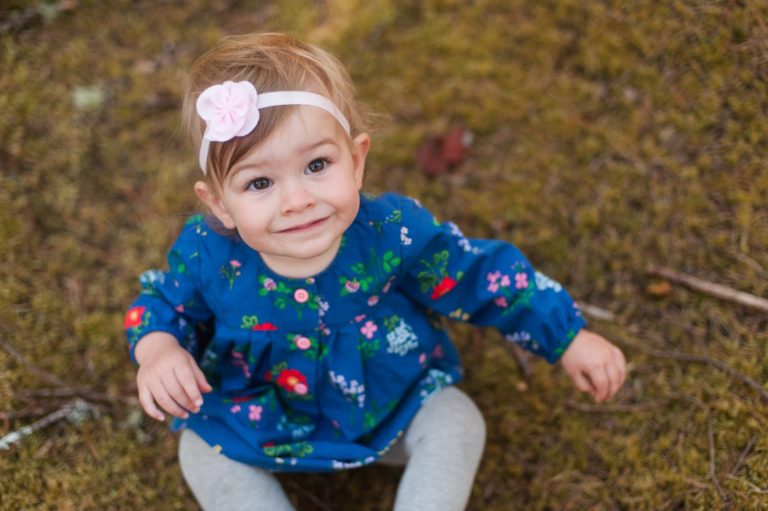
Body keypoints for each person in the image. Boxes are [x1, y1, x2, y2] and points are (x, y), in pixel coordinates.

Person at [124, 32, 627, 510]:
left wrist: (566, 336)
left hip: (390, 402)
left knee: (458, 422)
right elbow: (163, 306)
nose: (297, 200)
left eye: (317, 166)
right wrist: (159, 350)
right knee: (199, 450)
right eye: (259, 183)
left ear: (356, 161)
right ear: (220, 204)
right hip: (260, 416)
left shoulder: (391, 232)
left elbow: (479, 276)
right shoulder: (208, 253)